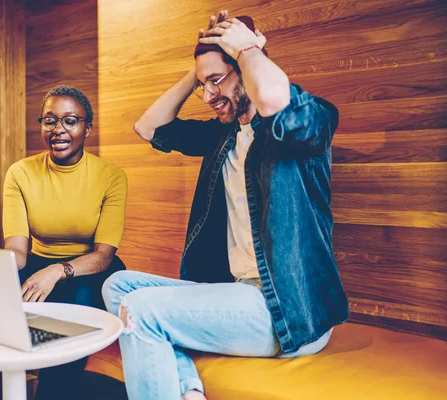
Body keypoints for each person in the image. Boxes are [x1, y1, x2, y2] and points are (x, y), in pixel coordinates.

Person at [102, 11, 349, 400]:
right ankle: (187, 391)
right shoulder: (224, 137)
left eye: (217, 81)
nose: (207, 96)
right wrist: (200, 68)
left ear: (246, 68)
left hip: (287, 309)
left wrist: (248, 47)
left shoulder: (308, 122)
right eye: (204, 86)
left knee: (142, 311)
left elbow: (270, 98)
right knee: (119, 286)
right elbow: (148, 128)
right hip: (238, 295)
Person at [0, 85, 128, 400]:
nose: (59, 129)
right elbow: (18, 249)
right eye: (49, 120)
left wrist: (57, 270)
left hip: (91, 269)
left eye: (70, 121)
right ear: (41, 125)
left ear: (88, 127)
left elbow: (104, 254)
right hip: (37, 262)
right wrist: (0, 266)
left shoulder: (111, 176)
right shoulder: (20, 173)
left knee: (70, 320)